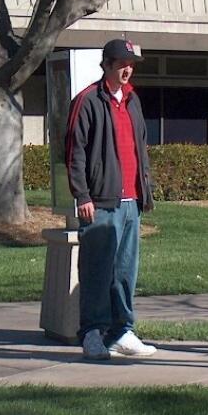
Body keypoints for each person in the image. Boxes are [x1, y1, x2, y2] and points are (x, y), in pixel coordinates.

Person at [65, 38, 157, 360]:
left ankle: (122, 332)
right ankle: (92, 332)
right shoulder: (88, 101)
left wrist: (145, 190)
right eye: (121, 64)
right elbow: (75, 153)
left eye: (130, 64)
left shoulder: (133, 101)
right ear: (107, 65)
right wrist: (82, 195)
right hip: (100, 202)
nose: (127, 69)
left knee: (124, 271)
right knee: (96, 270)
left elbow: (140, 147)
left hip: (131, 201)